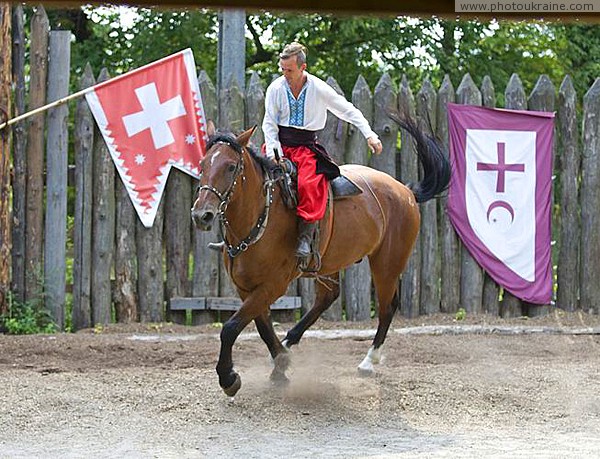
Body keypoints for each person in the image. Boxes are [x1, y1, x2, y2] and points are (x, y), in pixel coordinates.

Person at [263, 42, 383, 267]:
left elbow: (347, 110)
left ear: (302, 67)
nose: (284, 74)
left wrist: (369, 134)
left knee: (310, 184)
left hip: (306, 149)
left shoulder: (319, 88)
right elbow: (269, 123)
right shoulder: (276, 88)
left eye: (289, 70)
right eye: (282, 69)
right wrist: (273, 151)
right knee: (259, 180)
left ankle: (305, 239)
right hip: (278, 146)